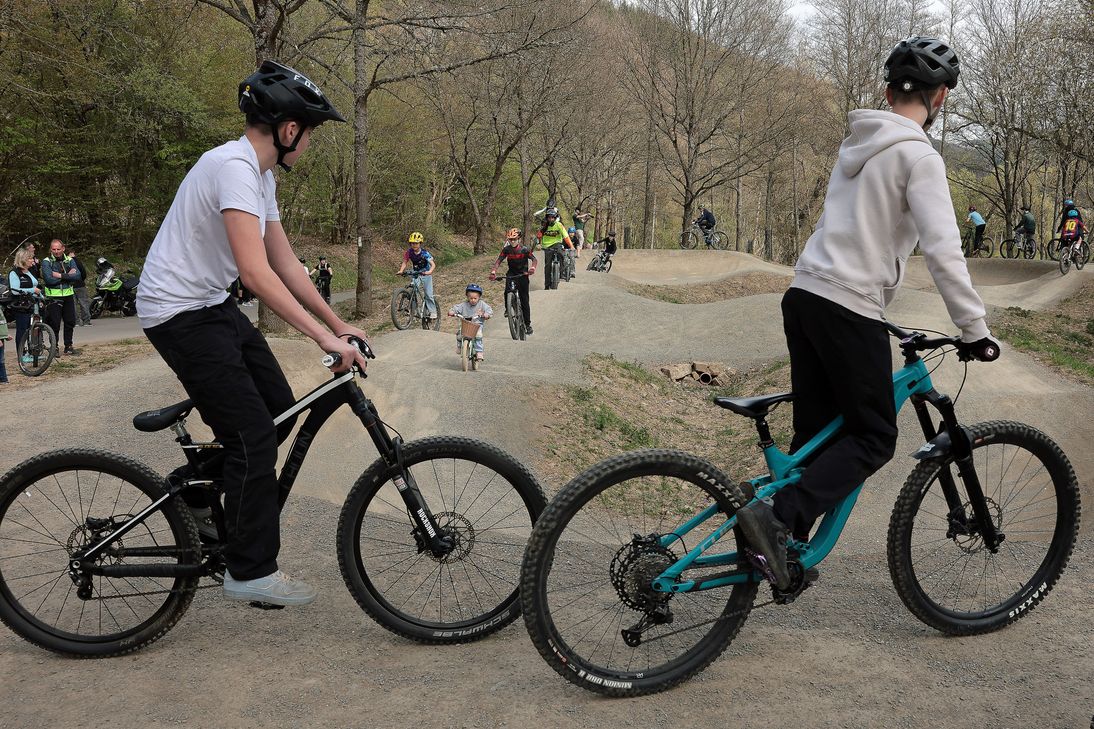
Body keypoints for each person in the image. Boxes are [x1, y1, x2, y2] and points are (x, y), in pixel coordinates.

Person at [733, 36, 1000, 592]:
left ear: (887, 91)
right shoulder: (919, 156)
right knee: (875, 437)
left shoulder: (856, 145)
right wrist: (975, 330)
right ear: (941, 98)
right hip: (847, 304)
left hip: (804, 294)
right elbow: (944, 251)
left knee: (821, 439)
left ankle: (776, 551)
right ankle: (775, 522)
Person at [136, 60, 367, 607]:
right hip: (176, 312)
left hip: (210, 306)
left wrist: (339, 325)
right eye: (309, 132)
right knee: (252, 436)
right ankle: (250, 570)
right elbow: (256, 273)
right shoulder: (233, 166)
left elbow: (283, 260)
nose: (308, 142)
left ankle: (194, 499)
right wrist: (323, 341)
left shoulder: (258, 175)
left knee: (276, 411)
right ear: (289, 130)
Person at [490, 227, 536, 334]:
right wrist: (493, 271)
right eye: (510, 239)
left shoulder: (524, 249)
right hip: (511, 274)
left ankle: (528, 325)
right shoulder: (506, 250)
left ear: (519, 239)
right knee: (507, 291)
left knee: (524, 300)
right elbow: (499, 260)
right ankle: (508, 309)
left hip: (523, 275)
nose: (512, 241)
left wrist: (532, 268)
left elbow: (534, 259)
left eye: (514, 239)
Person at [39, 239, 79, 355]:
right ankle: (54, 347)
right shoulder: (46, 261)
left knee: (70, 321)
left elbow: (77, 276)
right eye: (53, 249)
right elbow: (49, 279)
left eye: (58, 249)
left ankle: (68, 346)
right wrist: (68, 275)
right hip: (53, 296)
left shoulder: (69, 260)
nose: (56, 252)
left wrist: (59, 275)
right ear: (50, 249)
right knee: (54, 323)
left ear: (63, 249)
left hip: (68, 295)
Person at [8, 247, 41, 364]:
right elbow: (15, 290)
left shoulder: (30, 271)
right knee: (22, 330)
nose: (33, 261)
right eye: (30, 258)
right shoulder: (14, 273)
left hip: (32, 303)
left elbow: (36, 286)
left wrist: (41, 296)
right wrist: (33, 290)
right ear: (23, 259)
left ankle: (32, 352)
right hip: (20, 306)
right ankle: (21, 354)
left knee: (31, 329)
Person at [395, 232, 437, 323]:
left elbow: (433, 264)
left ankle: (433, 311)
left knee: (428, 294)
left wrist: (429, 271)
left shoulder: (424, 253)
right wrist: (401, 270)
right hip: (416, 273)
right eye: (412, 243)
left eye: (416, 243)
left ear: (420, 243)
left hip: (425, 273)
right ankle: (414, 309)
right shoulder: (409, 252)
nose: (414, 245)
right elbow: (405, 262)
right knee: (413, 289)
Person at [448, 283, 493, 361]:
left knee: (478, 335)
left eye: (475, 298)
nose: (473, 300)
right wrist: (452, 312)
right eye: (471, 298)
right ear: (467, 297)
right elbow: (456, 308)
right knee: (459, 335)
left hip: (477, 324)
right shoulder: (464, 305)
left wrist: (486, 314)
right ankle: (459, 346)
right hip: (466, 324)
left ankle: (479, 352)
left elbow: (489, 310)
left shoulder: (482, 304)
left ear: (479, 297)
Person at [536, 207, 573, 289]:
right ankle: (547, 285)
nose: (551, 219)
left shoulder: (559, 225)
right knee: (547, 266)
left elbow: (566, 236)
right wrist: (538, 243)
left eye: (552, 217)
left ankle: (561, 271)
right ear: (547, 218)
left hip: (557, 243)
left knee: (561, 254)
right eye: (549, 217)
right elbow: (538, 236)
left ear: (555, 218)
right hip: (547, 246)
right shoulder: (545, 226)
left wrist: (571, 246)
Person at [68, 249, 92, 326]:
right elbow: (84, 273)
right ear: (73, 253)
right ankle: (86, 321)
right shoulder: (78, 261)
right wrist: (81, 280)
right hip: (80, 285)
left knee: (73, 304)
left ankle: (76, 321)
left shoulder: (66, 262)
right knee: (84, 303)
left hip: (70, 285)